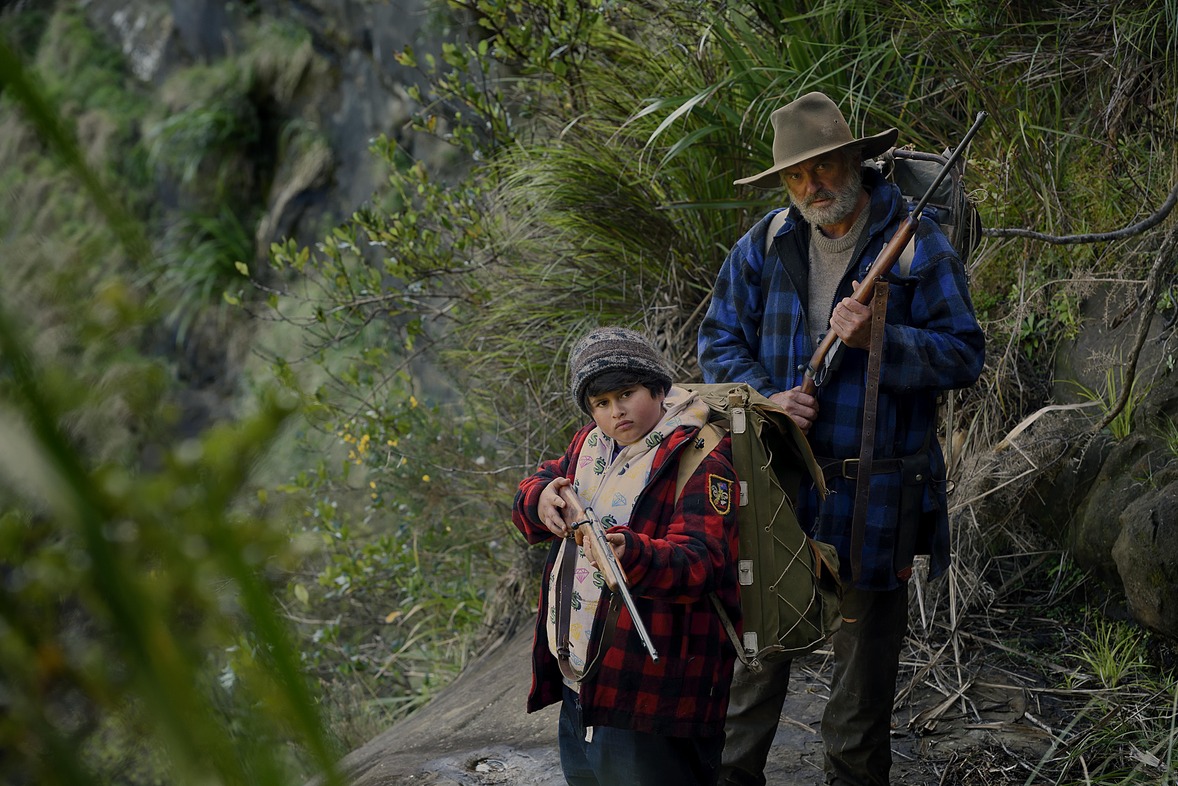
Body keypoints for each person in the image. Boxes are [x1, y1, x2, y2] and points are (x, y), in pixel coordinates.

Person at [697, 91, 986, 786]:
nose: (812, 186)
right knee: (751, 676)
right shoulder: (767, 242)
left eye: (824, 166)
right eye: (796, 176)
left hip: (876, 496)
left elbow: (964, 355)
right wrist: (766, 399)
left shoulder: (916, 243)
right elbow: (718, 340)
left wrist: (882, 336)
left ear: (855, 160)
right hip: (781, 490)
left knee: (859, 704)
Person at [512, 326, 742, 786]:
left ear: (657, 388)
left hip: (652, 693)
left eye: (626, 394)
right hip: (581, 680)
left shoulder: (701, 456)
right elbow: (541, 481)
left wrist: (632, 554)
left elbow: (704, 561)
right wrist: (540, 499)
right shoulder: (588, 444)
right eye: (600, 403)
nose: (615, 411)